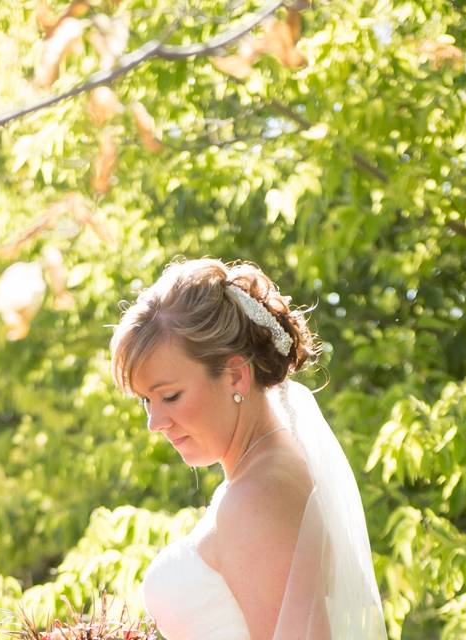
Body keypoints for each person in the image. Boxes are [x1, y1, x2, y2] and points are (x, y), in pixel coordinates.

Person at [110, 258, 387, 640]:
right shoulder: (263, 475)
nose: (154, 423)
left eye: (170, 396)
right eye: (146, 401)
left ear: (236, 375)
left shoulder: (259, 495)